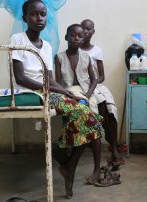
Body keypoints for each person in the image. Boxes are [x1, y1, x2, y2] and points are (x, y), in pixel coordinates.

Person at [9, 0, 104, 198]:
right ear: (25, 17)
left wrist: (65, 91)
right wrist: (57, 90)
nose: (39, 18)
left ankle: (66, 163)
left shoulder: (48, 46)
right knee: (86, 117)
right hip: (32, 92)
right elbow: (20, 78)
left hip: (49, 90)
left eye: (43, 14)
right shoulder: (17, 39)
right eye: (34, 14)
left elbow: (51, 78)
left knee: (88, 117)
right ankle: (63, 158)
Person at [54, 23, 102, 185]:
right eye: (73, 35)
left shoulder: (87, 57)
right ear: (66, 37)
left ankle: (96, 169)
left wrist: (88, 95)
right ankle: (68, 159)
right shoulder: (59, 57)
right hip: (69, 93)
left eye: (80, 36)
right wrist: (67, 94)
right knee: (83, 121)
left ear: (84, 39)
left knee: (93, 121)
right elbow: (58, 82)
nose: (76, 38)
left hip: (86, 92)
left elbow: (94, 78)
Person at [80, 19, 125, 168]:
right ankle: (93, 141)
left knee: (110, 108)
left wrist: (93, 83)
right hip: (80, 86)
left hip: (96, 84)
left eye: (89, 29)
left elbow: (101, 76)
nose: (86, 31)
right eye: (83, 28)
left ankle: (114, 149)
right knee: (99, 107)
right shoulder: (75, 49)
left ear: (93, 31)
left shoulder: (96, 51)